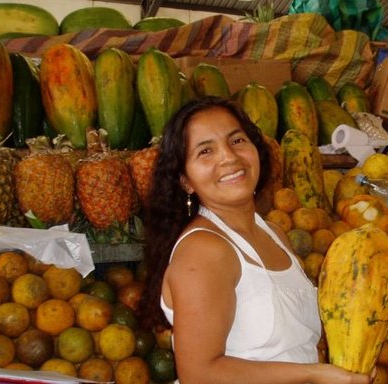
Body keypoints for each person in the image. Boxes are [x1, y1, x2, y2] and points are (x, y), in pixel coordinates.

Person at [138, 97, 372, 384]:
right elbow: (199, 375)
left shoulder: (274, 234)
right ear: (186, 180)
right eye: (206, 151)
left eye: (237, 141)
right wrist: (312, 375)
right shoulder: (203, 252)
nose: (228, 157)